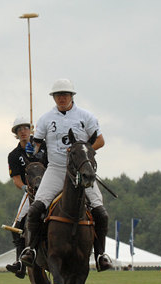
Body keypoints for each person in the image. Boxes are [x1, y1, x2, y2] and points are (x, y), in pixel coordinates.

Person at [19, 78, 113, 272]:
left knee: (100, 210)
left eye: (65, 95)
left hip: (80, 170)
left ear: (72, 96)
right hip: (55, 169)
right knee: (36, 208)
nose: (62, 98)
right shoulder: (45, 119)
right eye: (58, 95)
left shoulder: (85, 116)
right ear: (54, 97)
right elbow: (36, 145)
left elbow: (100, 141)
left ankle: (101, 254)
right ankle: (31, 250)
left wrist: (83, 152)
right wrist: (31, 149)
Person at [5, 116, 47, 279]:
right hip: (30, 192)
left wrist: (35, 152)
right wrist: (24, 188)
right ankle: (20, 262)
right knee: (17, 224)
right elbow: (16, 178)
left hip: (49, 188)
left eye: (25, 128)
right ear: (16, 133)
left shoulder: (42, 147)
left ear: (31, 130)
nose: (23, 131)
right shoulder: (14, 155)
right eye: (19, 129)